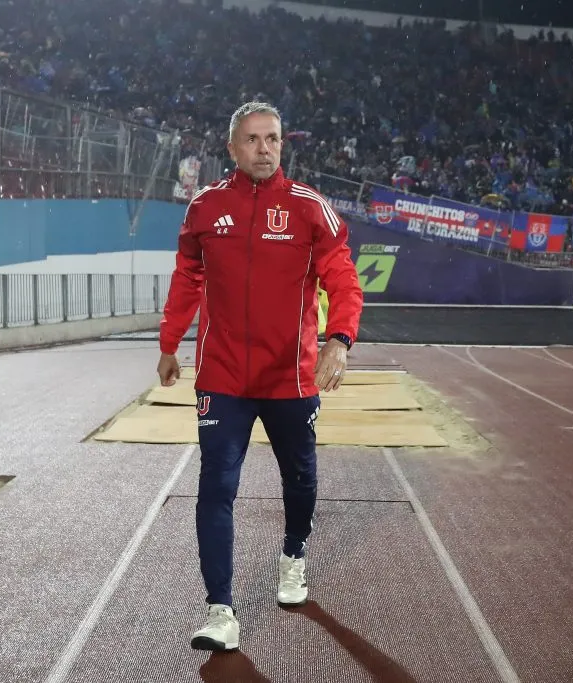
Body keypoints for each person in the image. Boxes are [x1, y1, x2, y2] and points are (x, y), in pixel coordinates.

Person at [156, 101, 363, 652]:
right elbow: (187, 276)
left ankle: (293, 556)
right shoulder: (205, 208)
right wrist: (169, 343)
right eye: (252, 139)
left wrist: (339, 340)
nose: (264, 148)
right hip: (222, 376)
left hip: (290, 378)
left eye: (272, 139)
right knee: (217, 485)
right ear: (232, 147)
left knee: (300, 478)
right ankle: (221, 610)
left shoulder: (309, 209)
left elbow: (343, 278)